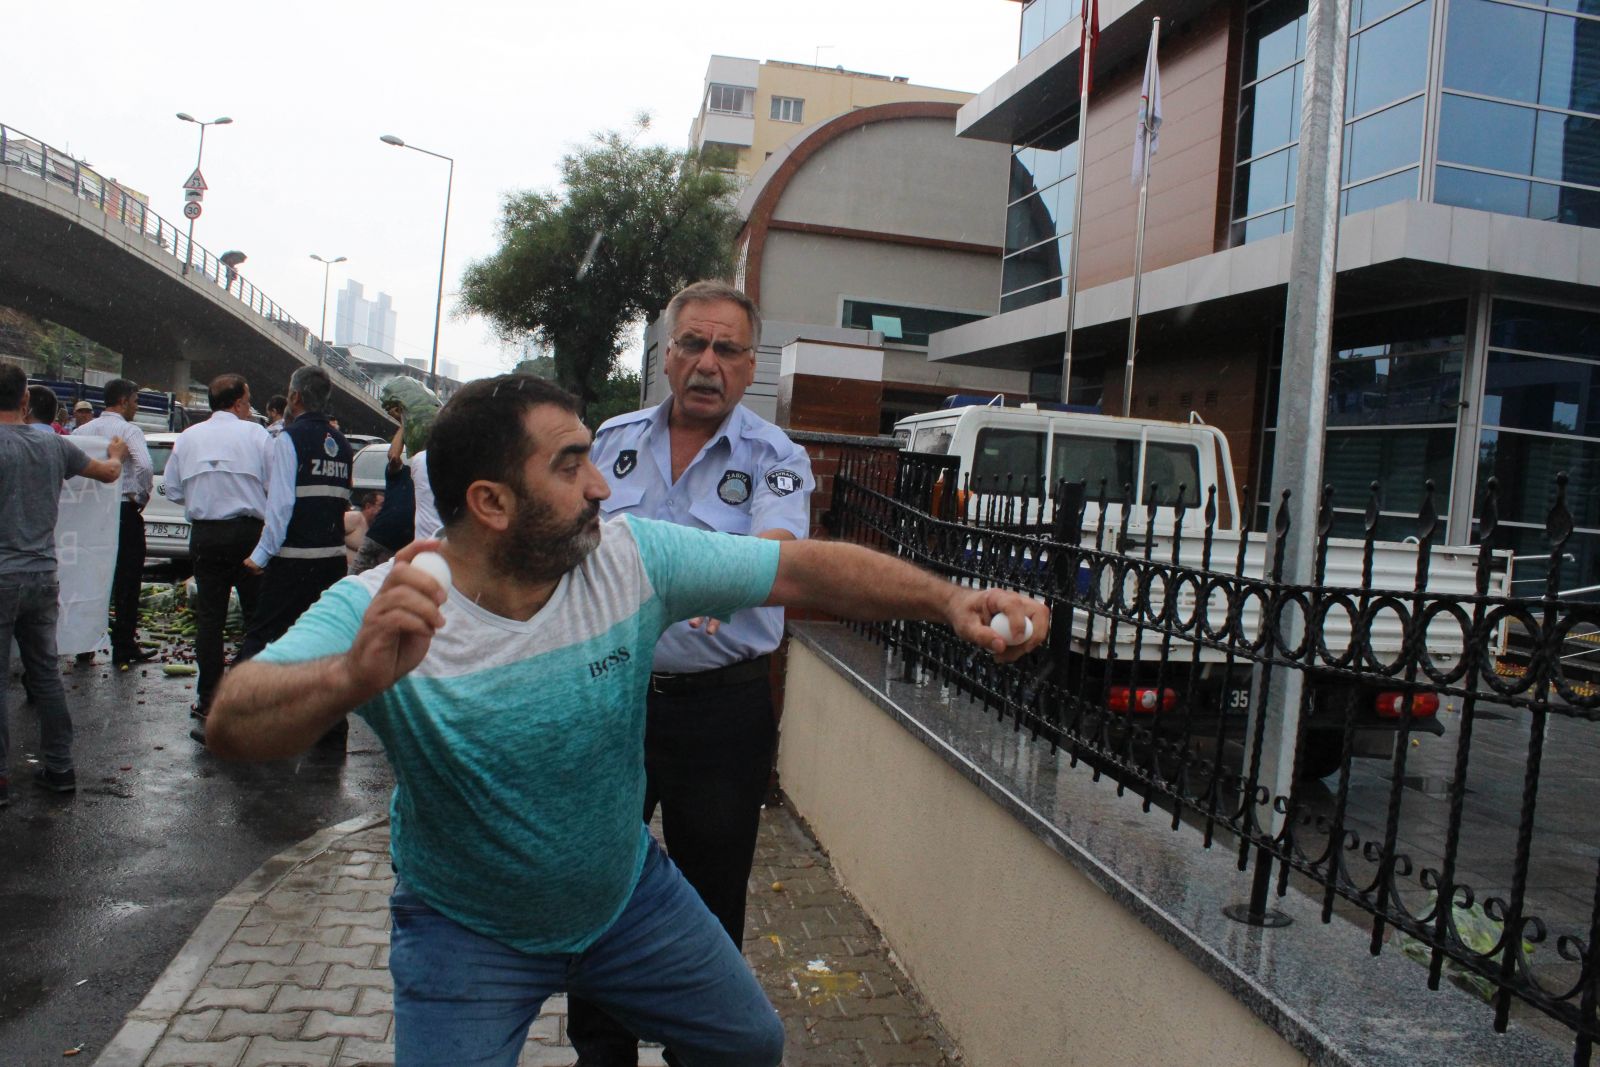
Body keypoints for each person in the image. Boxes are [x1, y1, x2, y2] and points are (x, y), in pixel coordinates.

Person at [203, 374, 1047, 1065]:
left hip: (626, 899)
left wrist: (949, 600)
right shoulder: (383, 608)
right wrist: (351, 675)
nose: (602, 484)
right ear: (491, 501)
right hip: (465, 927)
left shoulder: (630, 557)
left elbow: (801, 570)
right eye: (571, 465)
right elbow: (232, 722)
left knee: (750, 1042)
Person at [574, 280, 812, 1065]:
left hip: (721, 714)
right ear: (668, 356)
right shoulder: (612, 440)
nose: (709, 363)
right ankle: (600, 1050)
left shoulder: (775, 458)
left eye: (728, 349)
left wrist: (718, 578)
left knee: (710, 896)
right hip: (613, 697)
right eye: (694, 344)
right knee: (599, 875)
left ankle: (698, 1049)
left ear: (750, 366)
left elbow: (777, 550)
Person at [0, 365, 128, 805]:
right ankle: (59, 767)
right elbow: (108, 474)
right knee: (45, 674)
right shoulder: (54, 445)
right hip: (42, 577)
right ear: (24, 401)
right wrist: (116, 453)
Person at [223, 367, 352, 746]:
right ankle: (331, 728)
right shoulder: (341, 443)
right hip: (331, 561)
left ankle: (230, 721)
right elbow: (339, 503)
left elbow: (280, 507)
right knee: (325, 641)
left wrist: (260, 556)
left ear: (295, 397)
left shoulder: (289, 440)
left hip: (294, 560)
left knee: (262, 637)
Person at [163, 374, 272, 724]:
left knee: (210, 620)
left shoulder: (188, 437)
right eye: (248, 400)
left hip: (205, 535)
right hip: (248, 535)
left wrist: (206, 494)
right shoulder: (257, 435)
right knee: (257, 617)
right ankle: (247, 693)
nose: (249, 408)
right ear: (238, 403)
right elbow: (274, 485)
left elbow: (172, 489)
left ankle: (208, 697)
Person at [73, 378, 156, 667]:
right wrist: (141, 495)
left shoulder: (81, 431)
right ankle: (123, 645)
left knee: (89, 577)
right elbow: (144, 465)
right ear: (123, 401)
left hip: (90, 514)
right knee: (127, 581)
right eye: (135, 401)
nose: (136, 406)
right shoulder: (129, 431)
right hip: (122, 511)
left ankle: (82, 643)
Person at [350, 424, 413, 575]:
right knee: (356, 581)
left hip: (407, 549)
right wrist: (405, 424)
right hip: (379, 540)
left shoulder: (434, 479)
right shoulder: (403, 473)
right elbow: (393, 456)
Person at [344, 490, 384, 568]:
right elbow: (328, 535)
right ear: (368, 506)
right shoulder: (354, 517)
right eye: (382, 505)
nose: (385, 509)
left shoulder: (379, 529)